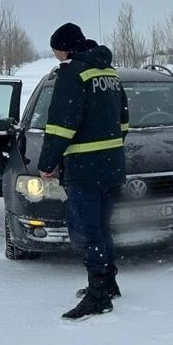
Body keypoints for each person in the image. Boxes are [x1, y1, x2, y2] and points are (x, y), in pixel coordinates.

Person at [37, 23, 129, 319]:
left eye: (57, 52)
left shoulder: (72, 72)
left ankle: (98, 296)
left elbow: (61, 124)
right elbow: (123, 121)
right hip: (111, 165)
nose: (58, 59)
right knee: (102, 226)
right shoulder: (109, 72)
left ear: (66, 48)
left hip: (84, 167)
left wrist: (47, 162)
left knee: (89, 231)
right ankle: (108, 281)